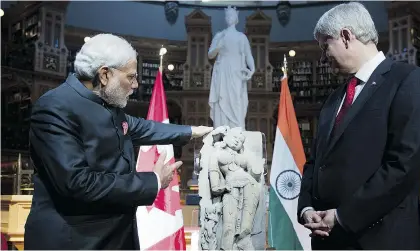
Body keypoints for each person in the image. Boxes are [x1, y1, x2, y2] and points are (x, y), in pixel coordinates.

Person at [24, 34, 213, 250]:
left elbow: (143, 127)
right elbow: (77, 182)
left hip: (116, 237)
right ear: (105, 75)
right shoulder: (55, 108)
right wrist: (153, 181)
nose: (135, 84)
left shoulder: (106, 103)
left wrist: (194, 131)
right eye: (130, 77)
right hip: (76, 240)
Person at [297, 2, 420, 250]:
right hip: (328, 241)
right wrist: (306, 208)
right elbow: (315, 162)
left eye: (325, 45)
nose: (322, 56)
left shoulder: (407, 81)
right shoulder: (334, 98)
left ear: (346, 36)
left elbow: (403, 165)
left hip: (381, 240)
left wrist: (342, 216)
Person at [208, 6, 255, 129]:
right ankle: (221, 128)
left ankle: (237, 129)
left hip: (236, 72)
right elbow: (210, 54)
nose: (229, 18)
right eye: (227, 16)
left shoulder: (241, 37)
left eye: (232, 16)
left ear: (236, 18)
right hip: (222, 70)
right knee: (222, 98)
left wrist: (252, 70)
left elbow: (248, 55)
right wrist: (218, 47)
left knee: (236, 99)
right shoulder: (220, 35)